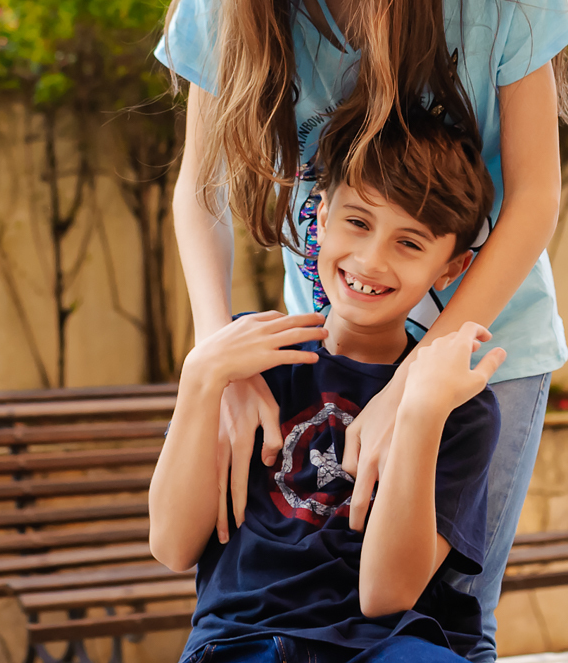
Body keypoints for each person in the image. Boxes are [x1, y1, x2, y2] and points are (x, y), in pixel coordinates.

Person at [155, 0, 568, 661]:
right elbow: (199, 190)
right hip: (326, 345)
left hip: (482, 352)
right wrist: (220, 362)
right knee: (310, 618)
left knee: (438, 622)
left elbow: (534, 199)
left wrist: (420, 383)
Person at [149, 107, 506, 663]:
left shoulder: (458, 406)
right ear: (319, 215)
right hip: (241, 642)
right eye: (358, 222)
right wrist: (202, 377)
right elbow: (172, 545)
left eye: (409, 243)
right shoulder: (248, 362)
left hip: (385, 646)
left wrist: (419, 415)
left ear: (450, 269)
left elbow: (386, 594)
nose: (370, 259)